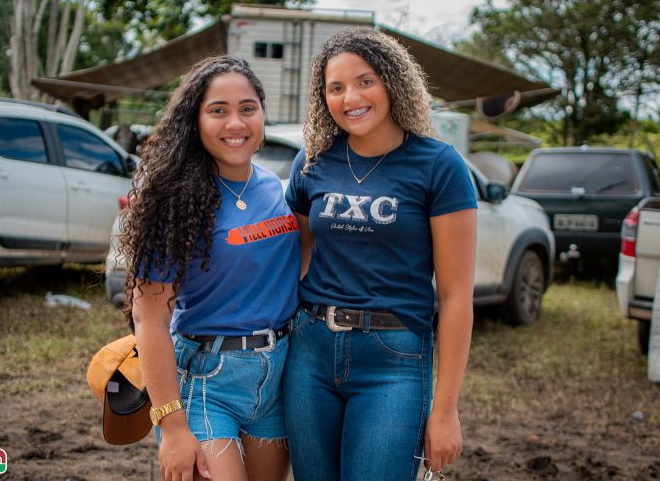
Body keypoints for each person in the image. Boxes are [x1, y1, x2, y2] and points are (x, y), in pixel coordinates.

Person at [283, 27, 478, 480]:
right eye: (336, 87)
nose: (351, 96)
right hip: (310, 352)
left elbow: (455, 297)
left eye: (365, 80)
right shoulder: (312, 161)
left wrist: (445, 410)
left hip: (394, 358)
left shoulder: (438, 164)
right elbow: (295, 256)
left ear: (393, 81)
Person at [120, 55, 299, 481]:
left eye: (247, 109)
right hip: (206, 380)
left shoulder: (274, 186)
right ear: (195, 120)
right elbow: (149, 317)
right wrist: (172, 424)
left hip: (277, 378)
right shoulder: (173, 201)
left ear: (262, 114)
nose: (235, 123)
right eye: (218, 110)